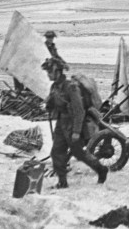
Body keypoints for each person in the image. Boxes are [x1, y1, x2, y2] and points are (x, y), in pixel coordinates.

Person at [42, 57, 108, 188]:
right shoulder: (54, 87)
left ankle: (101, 169)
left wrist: (77, 132)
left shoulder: (71, 88)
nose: (48, 75)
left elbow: (79, 111)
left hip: (73, 124)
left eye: (50, 72)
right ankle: (62, 182)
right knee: (56, 152)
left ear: (58, 72)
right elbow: (54, 103)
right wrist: (49, 105)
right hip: (61, 123)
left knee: (78, 153)